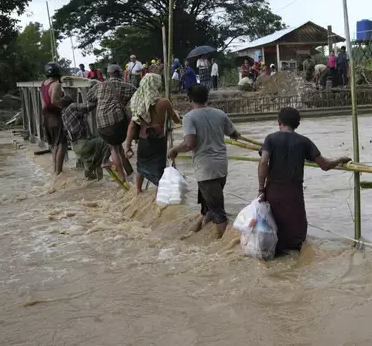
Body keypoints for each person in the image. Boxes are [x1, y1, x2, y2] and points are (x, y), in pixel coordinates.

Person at [258, 107, 351, 254]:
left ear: (279, 122)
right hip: (294, 194)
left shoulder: (270, 139)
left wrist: (261, 189)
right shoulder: (304, 142)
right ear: (297, 124)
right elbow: (325, 165)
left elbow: (263, 162)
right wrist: (340, 159)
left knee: (272, 231)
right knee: (296, 238)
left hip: (273, 192)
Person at [167, 85, 240, 238]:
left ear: (190, 99)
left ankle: (223, 247)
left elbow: (189, 143)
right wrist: (234, 135)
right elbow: (234, 133)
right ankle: (201, 233)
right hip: (221, 168)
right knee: (209, 207)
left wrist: (174, 150)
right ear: (207, 97)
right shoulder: (220, 114)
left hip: (206, 170)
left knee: (218, 211)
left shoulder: (189, 117)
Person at [124, 66, 181, 194]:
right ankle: (157, 197)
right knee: (158, 169)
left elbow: (133, 125)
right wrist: (176, 114)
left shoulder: (137, 102)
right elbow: (176, 120)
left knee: (141, 167)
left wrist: (128, 145)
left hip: (144, 139)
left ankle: (138, 191)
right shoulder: (164, 102)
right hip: (158, 140)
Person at [87, 64, 137, 183]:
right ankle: (122, 176)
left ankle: (127, 173)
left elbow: (89, 97)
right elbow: (137, 95)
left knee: (114, 146)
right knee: (116, 147)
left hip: (101, 125)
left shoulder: (100, 86)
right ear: (120, 74)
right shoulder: (127, 86)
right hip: (118, 123)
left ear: (108, 74)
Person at [62, 100, 111, 181]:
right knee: (107, 140)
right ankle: (105, 161)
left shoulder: (65, 116)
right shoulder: (71, 107)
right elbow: (88, 107)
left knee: (91, 176)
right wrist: (102, 99)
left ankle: (94, 183)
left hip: (76, 147)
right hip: (83, 145)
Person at [40, 62, 70, 175]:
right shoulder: (56, 85)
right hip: (54, 116)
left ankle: (55, 171)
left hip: (46, 116)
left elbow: (45, 102)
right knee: (62, 143)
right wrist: (66, 100)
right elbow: (54, 101)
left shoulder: (44, 83)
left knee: (54, 144)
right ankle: (59, 172)